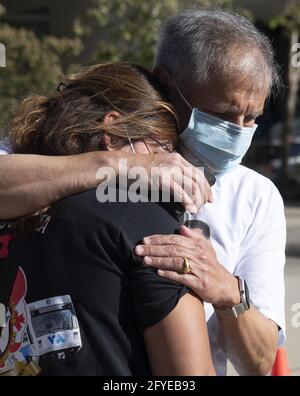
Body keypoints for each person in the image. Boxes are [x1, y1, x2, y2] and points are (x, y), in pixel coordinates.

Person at [0, 9, 286, 376]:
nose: (238, 133)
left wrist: (227, 291)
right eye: (224, 115)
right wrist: (117, 165)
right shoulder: (67, 151)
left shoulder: (255, 197)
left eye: (252, 119)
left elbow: (259, 363)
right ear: (167, 83)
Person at [0, 63, 215, 376]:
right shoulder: (144, 219)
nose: (172, 165)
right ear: (113, 135)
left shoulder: (19, 200)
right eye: (163, 150)